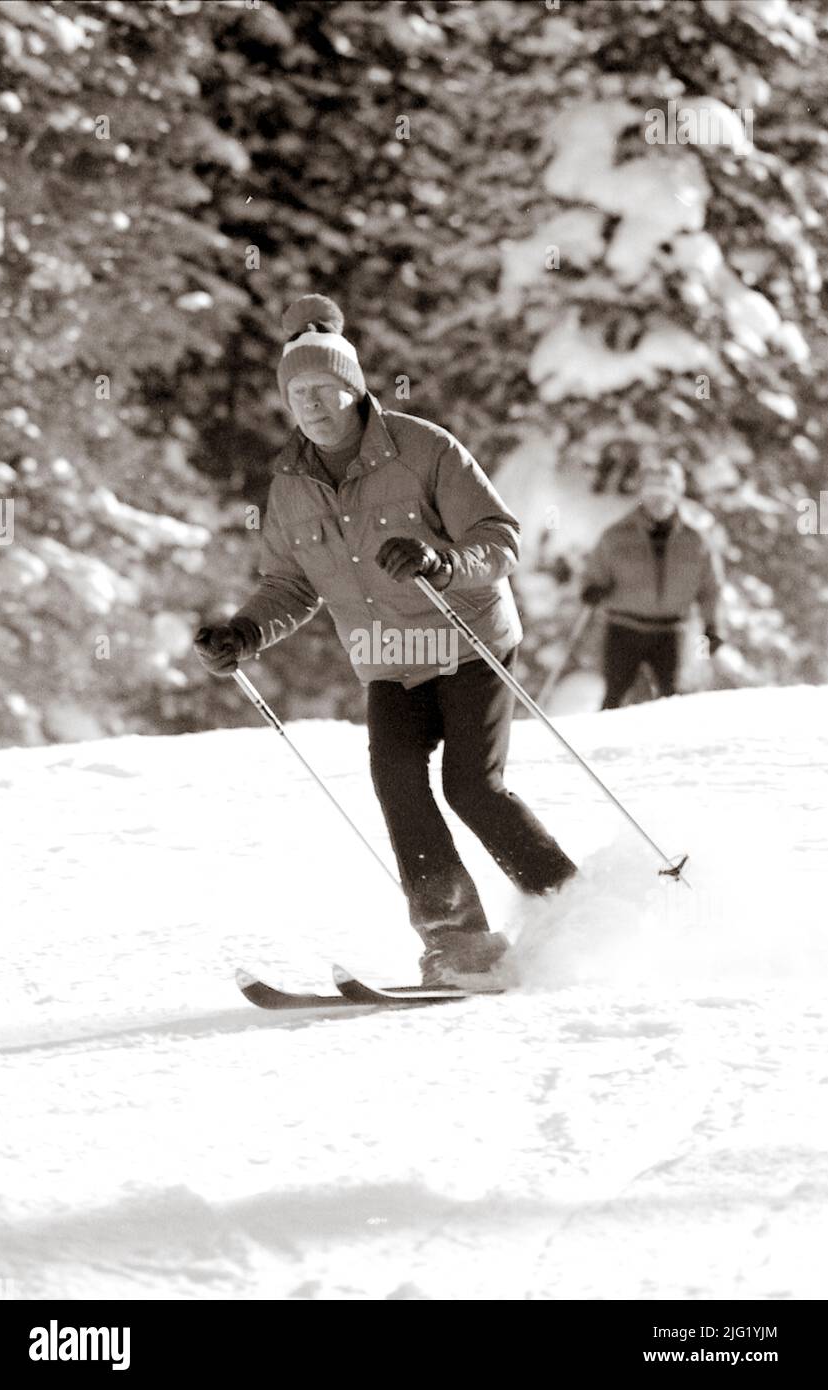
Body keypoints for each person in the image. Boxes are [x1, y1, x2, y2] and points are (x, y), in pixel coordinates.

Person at [194, 294, 576, 986]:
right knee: (397, 780)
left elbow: (498, 538)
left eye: (324, 388)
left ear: (354, 387)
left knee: (471, 787)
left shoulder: (423, 447)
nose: (311, 404)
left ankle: (578, 914)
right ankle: (458, 943)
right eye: (297, 393)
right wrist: (244, 631)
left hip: (465, 641)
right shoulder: (289, 487)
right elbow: (290, 583)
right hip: (389, 661)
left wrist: (442, 563)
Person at [580, 458, 725, 710]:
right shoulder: (616, 536)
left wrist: (713, 626)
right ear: (642, 493)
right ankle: (599, 748)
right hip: (623, 628)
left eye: (666, 491)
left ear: (678, 493)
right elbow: (593, 574)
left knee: (673, 702)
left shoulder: (696, 541)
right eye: (651, 491)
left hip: (672, 633)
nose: (658, 500)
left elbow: (710, 589)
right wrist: (591, 590)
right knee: (614, 699)